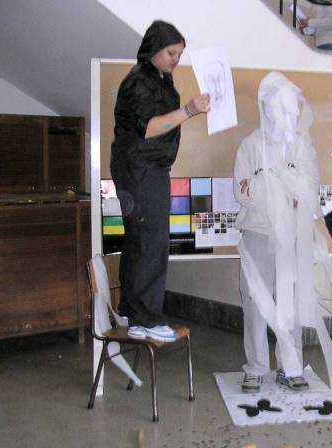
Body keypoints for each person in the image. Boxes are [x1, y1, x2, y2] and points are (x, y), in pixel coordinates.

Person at [234, 72, 332, 393]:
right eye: (280, 107)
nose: (287, 114)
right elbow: (242, 192)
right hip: (257, 232)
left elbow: (308, 189)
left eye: (290, 108)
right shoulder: (250, 145)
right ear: (266, 108)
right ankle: (256, 367)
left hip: (293, 237)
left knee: (291, 301)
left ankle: (290, 365)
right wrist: (274, 183)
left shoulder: (301, 145)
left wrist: (272, 183)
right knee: (255, 300)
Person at [110, 20, 210, 342]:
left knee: (140, 240)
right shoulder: (141, 80)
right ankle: (146, 320)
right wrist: (188, 110)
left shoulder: (157, 78)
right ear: (154, 49)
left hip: (141, 169)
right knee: (151, 242)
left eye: (180, 54)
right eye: (171, 53)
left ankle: (132, 312)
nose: (176, 59)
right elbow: (148, 128)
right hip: (141, 169)